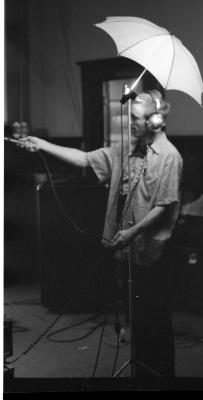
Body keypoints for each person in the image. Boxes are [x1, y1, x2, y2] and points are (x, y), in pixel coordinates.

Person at [17, 90, 183, 378]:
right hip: (129, 252)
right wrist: (42, 144)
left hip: (152, 252)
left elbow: (163, 205)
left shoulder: (170, 157)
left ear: (155, 122)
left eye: (135, 118)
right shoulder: (124, 151)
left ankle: (160, 378)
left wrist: (132, 232)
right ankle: (140, 375)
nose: (129, 123)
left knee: (155, 322)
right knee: (136, 321)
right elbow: (83, 159)